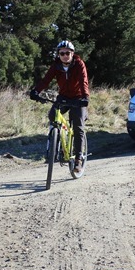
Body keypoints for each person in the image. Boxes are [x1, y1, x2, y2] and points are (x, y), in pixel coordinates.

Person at [29, 40, 89, 173]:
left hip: (78, 98)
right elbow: (46, 79)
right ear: (58, 55)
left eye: (67, 53)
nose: (65, 55)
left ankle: (78, 159)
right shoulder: (56, 65)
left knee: (78, 127)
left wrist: (85, 97)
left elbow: (83, 81)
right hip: (63, 97)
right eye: (62, 53)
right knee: (52, 115)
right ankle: (53, 148)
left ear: (72, 53)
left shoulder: (79, 64)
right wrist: (36, 91)